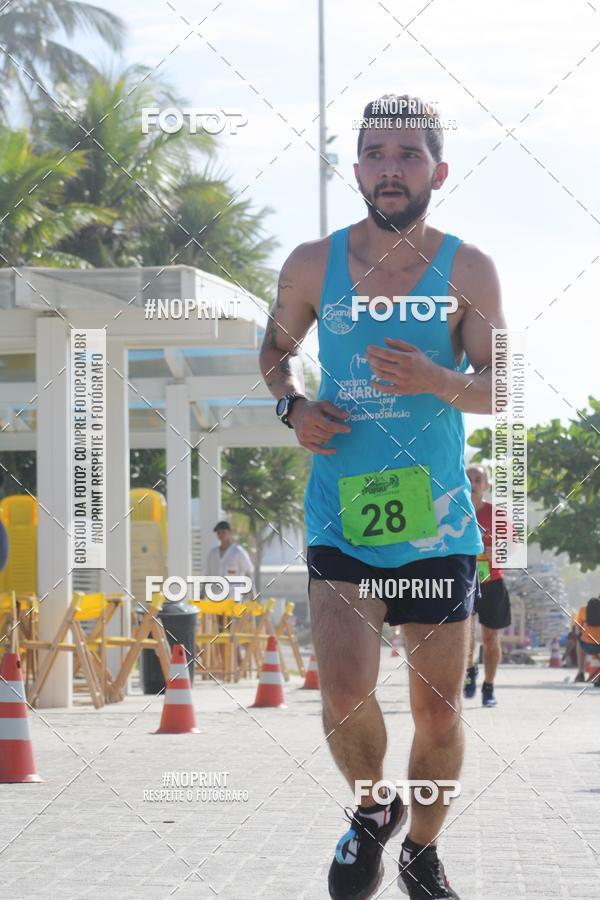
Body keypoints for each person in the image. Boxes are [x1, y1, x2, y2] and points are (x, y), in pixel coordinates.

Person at [259, 94, 507, 900]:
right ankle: (373, 809)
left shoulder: (467, 268)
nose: (390, 169)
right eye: (375, 153)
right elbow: (276, 350)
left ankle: (422, 851)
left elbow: (501, 386)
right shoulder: (310, 263)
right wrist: (292, 406)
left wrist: (440, 380)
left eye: (407, 155)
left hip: (435, 523)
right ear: (357, 168)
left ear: (437, 170)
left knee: (437, 717)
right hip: (342, 511)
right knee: (342, 691)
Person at [464, 465, 512, 707]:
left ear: (486, 486)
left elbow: (514, 548)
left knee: (491, 638)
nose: (472, 482)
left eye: (478, 479)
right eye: (468, 478)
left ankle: (489, 686)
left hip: (492, 581)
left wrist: (496, 552)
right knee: (466, 636)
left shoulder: (497, 514)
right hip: (464, 582)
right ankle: (470, 669)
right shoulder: (453, 511)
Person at [204, 521, 254, 596]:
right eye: (218, 533)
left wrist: (253, 595)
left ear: (230, 532)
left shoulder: (238, 552)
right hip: (215, 598)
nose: (221, 535)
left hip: (233, 599)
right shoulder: (212, 554)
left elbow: (248, 573)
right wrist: (201, 594)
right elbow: (207, 576)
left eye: (223, 532)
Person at [573, 598, 600, 684]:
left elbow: (577, 630)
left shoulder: (583, 609)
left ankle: (581, 673)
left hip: (586, 645)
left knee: (579, 642)